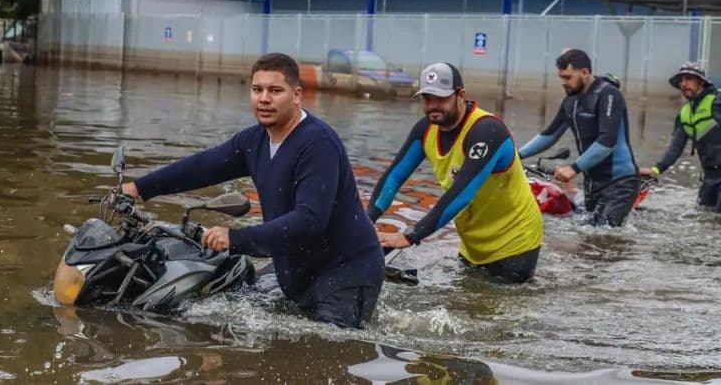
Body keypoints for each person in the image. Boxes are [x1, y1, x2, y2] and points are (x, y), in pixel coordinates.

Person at [121, 53, 384, 328]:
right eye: (257, 90)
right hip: (297, 269)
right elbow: (202, 166)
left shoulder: (318, 144)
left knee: (320, 359)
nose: (264, 99)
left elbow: (310, 219)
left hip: (346, 272)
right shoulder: (254, 141)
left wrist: (235, 238)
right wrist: (138, 188)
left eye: (275, 90)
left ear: (297, 95)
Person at [370, 62, 543, 283]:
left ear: (460, 95)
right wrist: (365, 223)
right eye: (427, 99)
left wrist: (409, 236)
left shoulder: (487, 131)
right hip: (474, 244)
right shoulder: (424, 130)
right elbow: (394, 176)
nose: (433, 106)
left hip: (515, 242)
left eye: (441, 98)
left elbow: (461, 194)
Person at [518, 49, 640, 227]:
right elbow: (549, 136)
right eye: (561, 77)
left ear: (585, 72)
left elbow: (607, 141)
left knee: (604, 236)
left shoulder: (609, 94)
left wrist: (574, 168)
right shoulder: (571, 101)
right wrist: (515, 155)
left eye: (567, 77)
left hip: (620, 183)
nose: (563, 82)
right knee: (588, 238)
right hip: (593, 183)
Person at [640, 61, 721, 212]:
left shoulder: (717, 101)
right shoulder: (684, 115)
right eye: (681, 80)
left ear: (701, 82)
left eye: (689, 79)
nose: (683, 84)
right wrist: (656, 170)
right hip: (709, 177)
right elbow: (675, 149)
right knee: (705, 218)